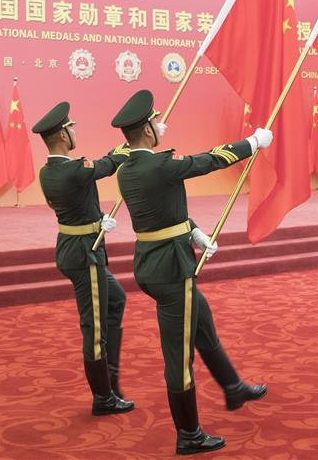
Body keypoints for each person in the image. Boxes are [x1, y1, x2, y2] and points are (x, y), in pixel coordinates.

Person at [112, 90, 268, 456]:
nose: (160, 125)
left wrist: (194, 233)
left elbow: (164, 210)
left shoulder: (127, 169)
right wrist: (252, 143)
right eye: (155, 122)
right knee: (179, 357)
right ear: (147, 131)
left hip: (155, 263)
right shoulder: (160, 165)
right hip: (170, 269)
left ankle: (233, 388)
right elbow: (209, 160)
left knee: (203, 327)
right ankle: (188, 434)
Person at [32, 102, 133, 416]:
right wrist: (135, 143)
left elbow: (76, 201)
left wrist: (97, 219)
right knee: (94, 328)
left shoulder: (48, 172)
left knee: (116, 299)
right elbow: (109, 164)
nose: (75, 132)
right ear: (63, 135)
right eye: (71, 128)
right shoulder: (75, 169)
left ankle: (109, 379)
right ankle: (103, 398)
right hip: (84, 254)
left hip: (72, 246)